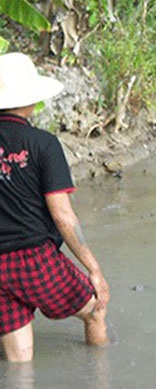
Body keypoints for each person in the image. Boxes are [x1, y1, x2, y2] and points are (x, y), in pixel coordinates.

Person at [0, 52, 110, 362]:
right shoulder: (43, 144)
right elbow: (62, 215)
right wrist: (94, 269)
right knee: (96, 311)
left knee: (20, 366)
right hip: (35, 260)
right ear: (31, 100)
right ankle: (101, 376)